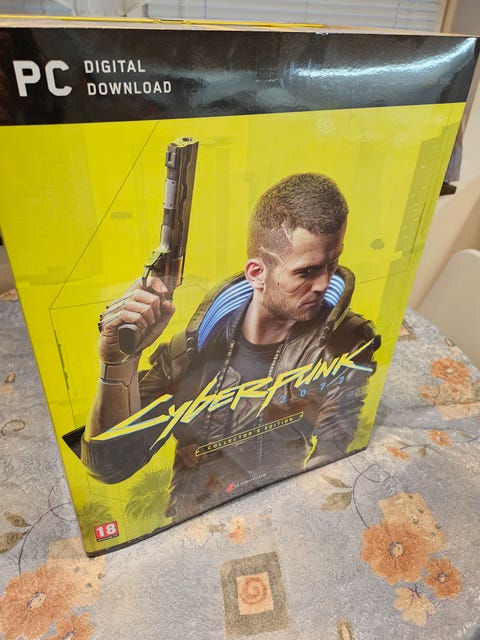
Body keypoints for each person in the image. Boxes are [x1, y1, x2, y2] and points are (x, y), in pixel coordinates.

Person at [82, 173, 380, 521]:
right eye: (306, 272)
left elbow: (332, 448)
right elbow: (109, 465)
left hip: (280, 512)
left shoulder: (344, 343)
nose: (323, 284)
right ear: (256, 273)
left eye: (332, 263)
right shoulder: (190, 351)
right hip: (192, 522)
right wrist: (118, 362)